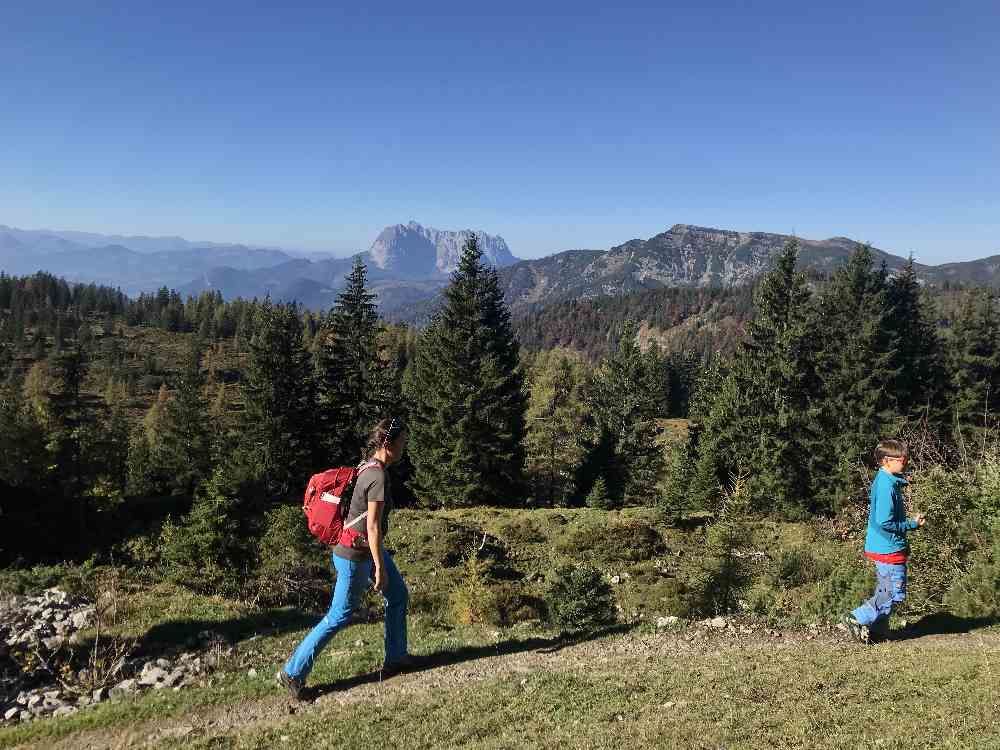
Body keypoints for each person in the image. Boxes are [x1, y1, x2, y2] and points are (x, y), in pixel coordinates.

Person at [278, 417, 413, 698]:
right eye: (402, 442)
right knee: (339, 615)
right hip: (355, 555)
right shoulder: (376, 476)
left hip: (361, 548)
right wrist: (379, 567)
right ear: (388, 444)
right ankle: (292, 672)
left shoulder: (369, 466)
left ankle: (397, 658)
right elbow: (373, 526)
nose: (404, 447)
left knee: (398, 595)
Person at [843, 439, 926, 644]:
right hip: (887, 547)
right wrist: (911, 525)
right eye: (902, 459)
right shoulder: (885, 486)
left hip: (888, 546)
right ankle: (856, 617)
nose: (906, 462)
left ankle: (879, 632)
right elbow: (884, 521)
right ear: (887, 461)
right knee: (891, 593)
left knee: (887, 590)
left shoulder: (888, 481)